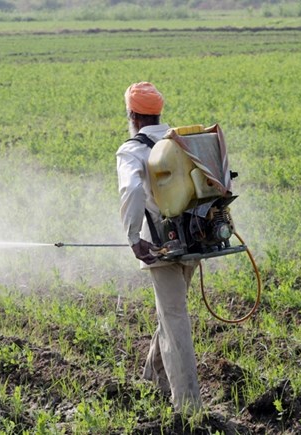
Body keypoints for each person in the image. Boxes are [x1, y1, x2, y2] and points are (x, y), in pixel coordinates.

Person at [116, 82, 202, 413]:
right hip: (195, 241)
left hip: (160, 248)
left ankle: (189, 407)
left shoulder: (132, 150)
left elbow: (133, 191)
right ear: (157, 113)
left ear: (132, 116)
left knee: (174, 316)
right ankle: (152, 379)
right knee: (171, 312)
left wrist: (133, 237)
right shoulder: (179, 140)